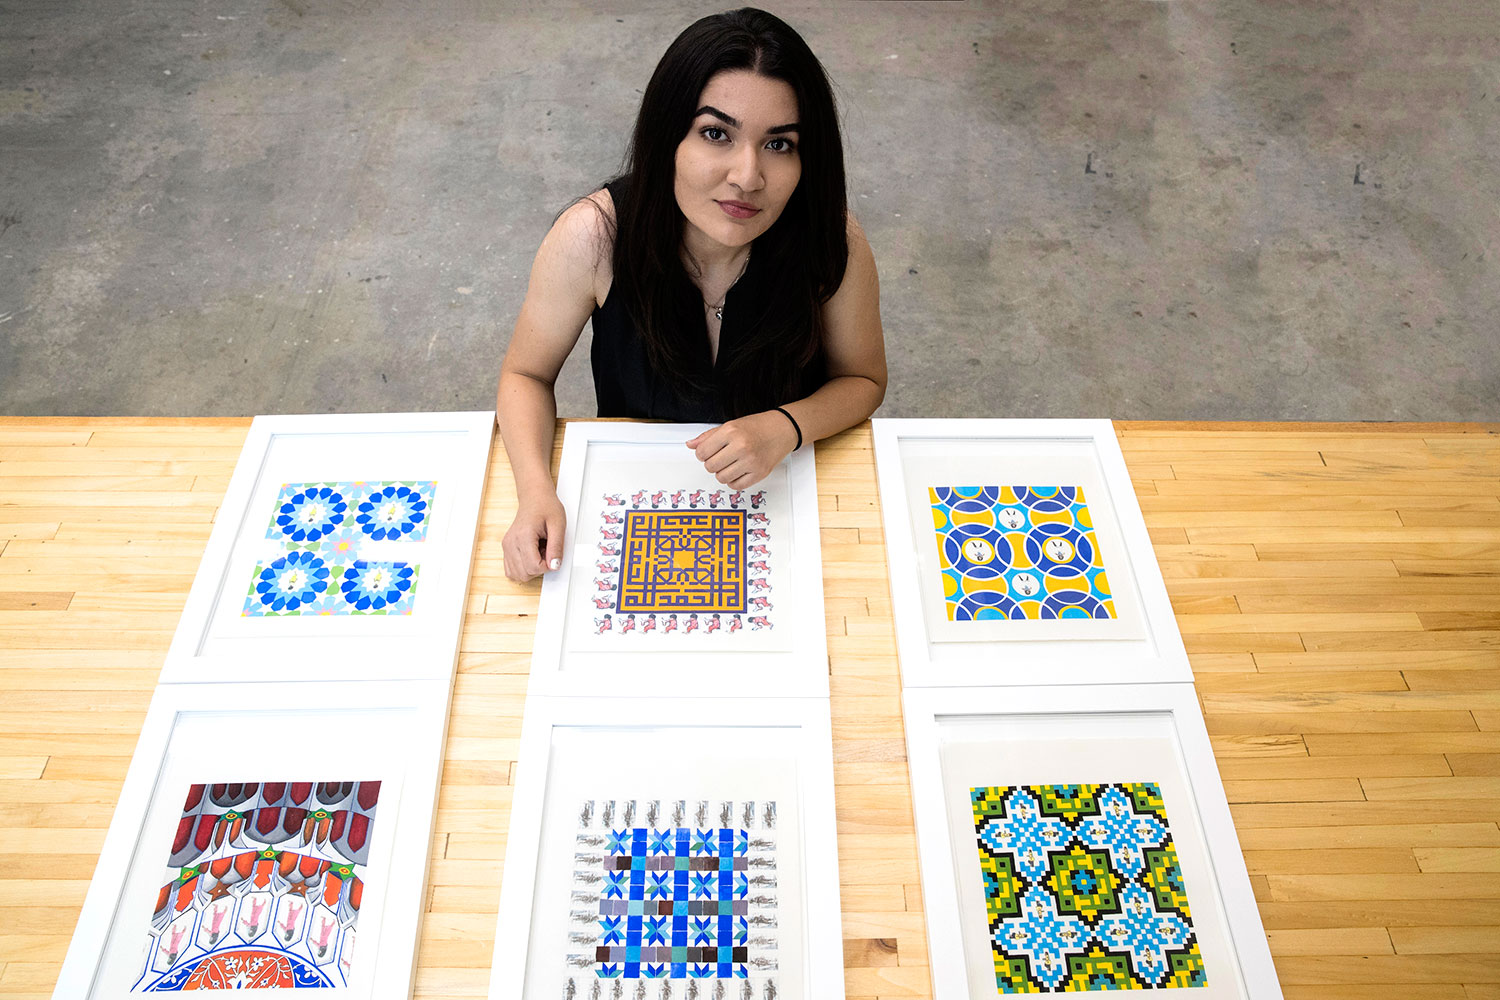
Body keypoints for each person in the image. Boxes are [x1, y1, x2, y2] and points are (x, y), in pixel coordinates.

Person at [496, 8, 886, 582]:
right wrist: (534, 493)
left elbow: (864, 381)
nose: (748, 176)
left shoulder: (834, 239)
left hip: (786, 488)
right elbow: (524, 376)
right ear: (666, 137)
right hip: (636, 500)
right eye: (715, 134)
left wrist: (786, 425)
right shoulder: (593, 234)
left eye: (779, 144)